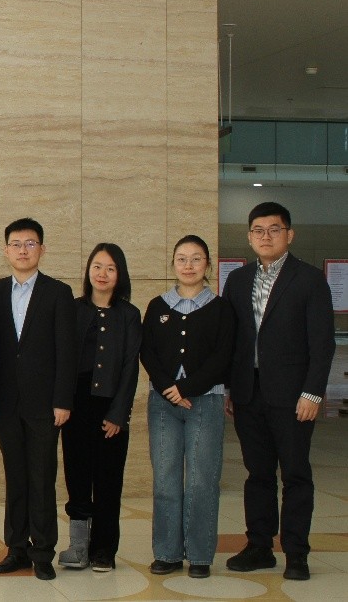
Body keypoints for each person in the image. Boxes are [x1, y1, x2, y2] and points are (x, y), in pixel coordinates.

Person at [223, 201, 334, 582]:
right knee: (257, 474)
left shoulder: (309, 279)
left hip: (293, 397)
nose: (265, 236)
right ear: (249, 236)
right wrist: (229, 388)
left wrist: (313, 393)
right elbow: (232, 340)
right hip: (248, 393)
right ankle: (259, 546)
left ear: (290, 234)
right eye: (258, 230)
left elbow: (322, 343)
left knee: (296, 474)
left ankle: (297, 553)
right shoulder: (238, 280)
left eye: (274, 229)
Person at [140, 235, 234, 579]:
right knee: (165, 479)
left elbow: (223, 356)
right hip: (163, 404)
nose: (189, 265)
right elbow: (147, 351)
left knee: (201, 480)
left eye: (196, 259)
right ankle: (166, 552)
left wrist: (186, 389)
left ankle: (199, 555)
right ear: (173, 264)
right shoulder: (158, 306)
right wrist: (171, 390)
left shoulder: (221, 308)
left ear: (207, 264)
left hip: (205, 401)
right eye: (182, 258)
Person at [0, 218, 77, 581]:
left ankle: (42, 551)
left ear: (42, 249)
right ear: (6, 250)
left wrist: (63, 400)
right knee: (15, 476)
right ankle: (17, 548)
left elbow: (67, 352)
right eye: (16, 244)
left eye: (30, 243)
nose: (22, 250)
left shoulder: (58, 293)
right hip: (5, 401)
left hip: (45, 404)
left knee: (42, 477)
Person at [59, 243, 141, 572]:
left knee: (108, 480)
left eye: (110, 268)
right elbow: (62, 360)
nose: (102, 274)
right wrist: (61, 403)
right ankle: (78, 546)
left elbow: (130, 367)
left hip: (110, 407)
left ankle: (104, 548)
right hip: (75, 406)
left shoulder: (129, 314)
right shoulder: (73, 308)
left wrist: (119, 414)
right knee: (77, 476)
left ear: (120, 274)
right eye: (97, 266)